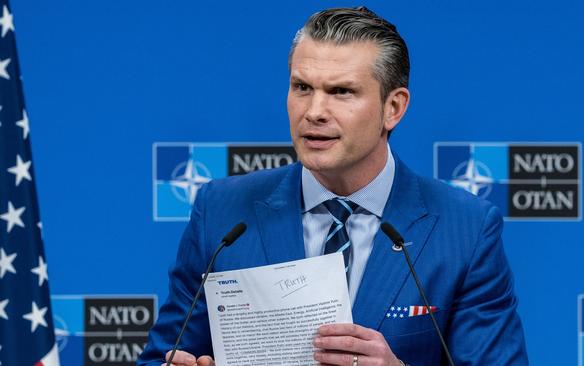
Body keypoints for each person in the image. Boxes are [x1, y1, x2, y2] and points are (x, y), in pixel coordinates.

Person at [137, 6, 528, 366]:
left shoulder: (466, 228)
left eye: (341, 92)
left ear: (394, 108)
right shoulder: (222, 212)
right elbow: (163, 356)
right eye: (302, 88)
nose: (314, 112)